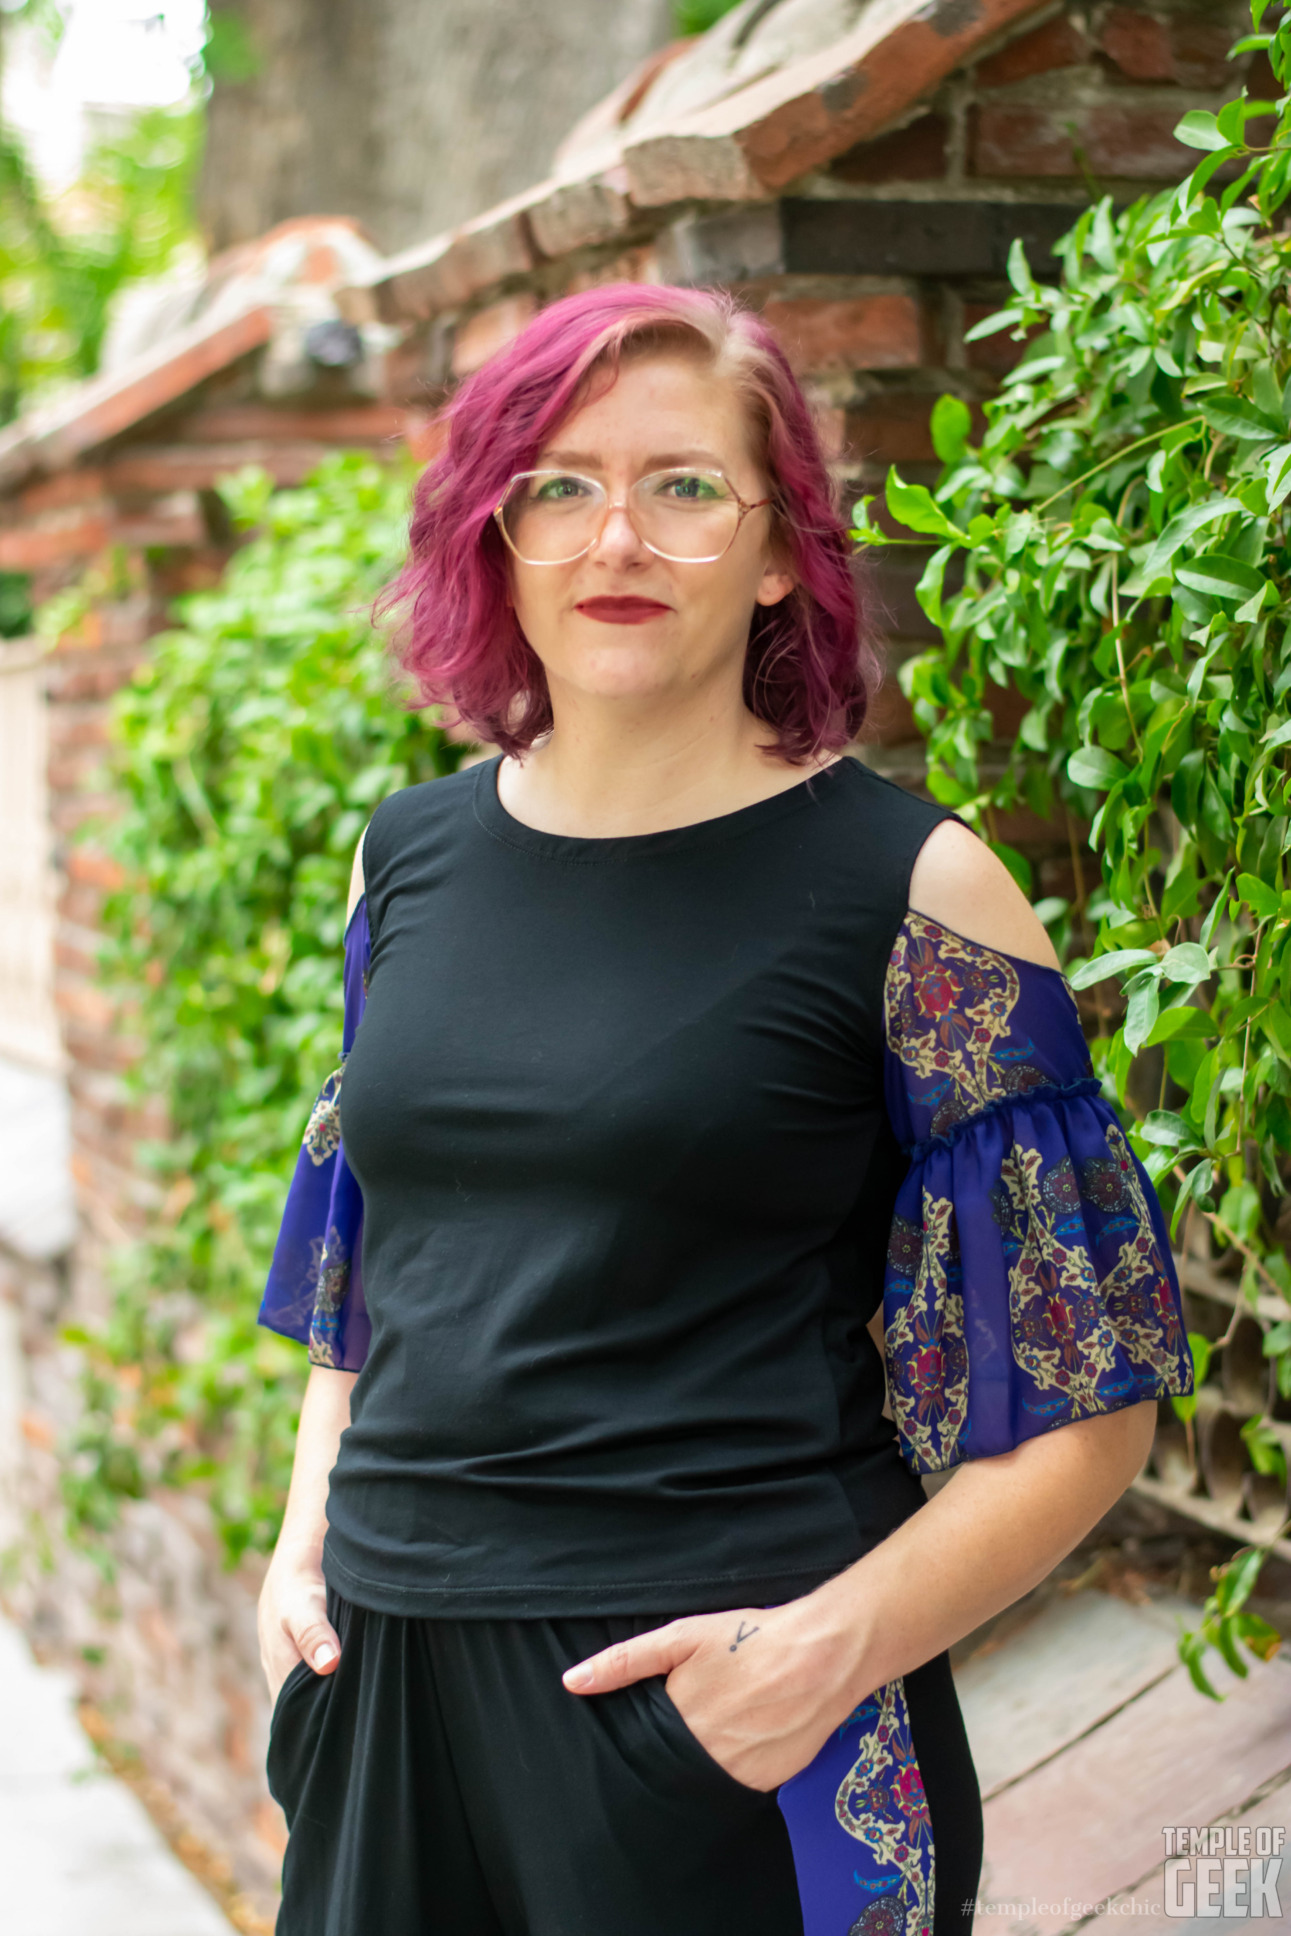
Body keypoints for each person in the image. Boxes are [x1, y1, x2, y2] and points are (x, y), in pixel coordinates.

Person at [255, 284, 1194, 1936]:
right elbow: (372, 1269)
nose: (617, 532)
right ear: (501, 535)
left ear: (777, 552)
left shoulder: (915, 891)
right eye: (558, 484)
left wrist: (822, 1656)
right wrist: (306, 1535)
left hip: (730, 1712)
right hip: (387, 1683)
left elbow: (1090, 1392)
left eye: (685, 484)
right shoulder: (401, 859)